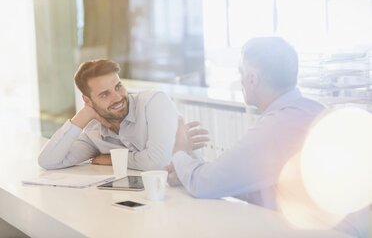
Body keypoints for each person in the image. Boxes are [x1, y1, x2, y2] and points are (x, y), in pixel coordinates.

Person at [166, 37, 369, 238]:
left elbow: (203, 184)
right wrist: (189, 173)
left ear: (253, 79)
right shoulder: (310, 109)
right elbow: (253, 181)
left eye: (241, 73)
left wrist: (179, 151)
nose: (240, 81)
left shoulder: (277, 127)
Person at [38, 59, 180, 171]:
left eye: (118, 86)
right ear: (88, 101)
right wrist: (82, 116)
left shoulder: (154, 102)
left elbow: (158, 163)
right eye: (105, 94)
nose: (118, 97)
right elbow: (48, 161)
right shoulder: (94, 133)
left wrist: (112, 159)